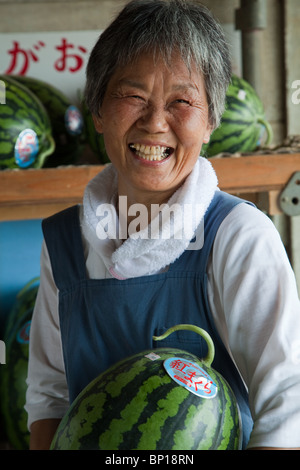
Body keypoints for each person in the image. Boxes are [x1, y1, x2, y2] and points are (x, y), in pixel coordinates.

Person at [25, 0, 300, 450]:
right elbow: (49, 399)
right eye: (133, 96)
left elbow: (289, 404)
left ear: (210, 121)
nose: (155, 123)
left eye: (182, 101)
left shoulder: (239, 236)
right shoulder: (64, 242)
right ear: (97, 111)